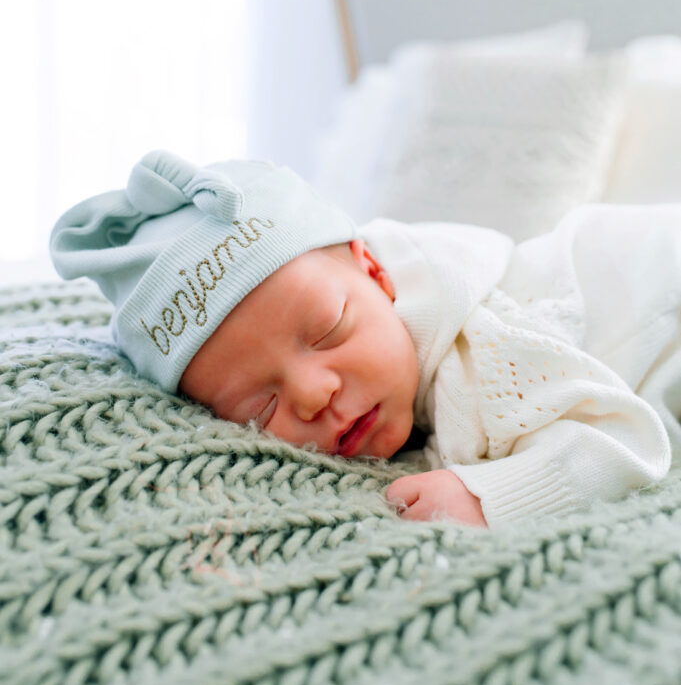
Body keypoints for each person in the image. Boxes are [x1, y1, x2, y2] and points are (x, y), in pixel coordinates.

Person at [50, 150, 681, 529]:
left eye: (327, 331)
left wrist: (488, 498)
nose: (314, 394)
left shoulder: (485, 341)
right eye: (257, 408)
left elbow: (623, 437)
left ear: (375, 270)